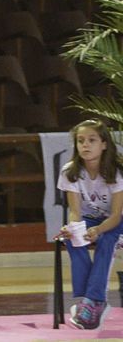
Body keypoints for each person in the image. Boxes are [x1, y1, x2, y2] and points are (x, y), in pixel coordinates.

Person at [55, 119, 123, 330]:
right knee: (71, 240)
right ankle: (92, 303)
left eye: (91, 140)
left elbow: (116, 215)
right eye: (80, 141)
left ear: (104, 144)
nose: (85, 145)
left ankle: (92, 302)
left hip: (116, 220)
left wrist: (98, 230)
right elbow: (76, 212)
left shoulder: (116, 172)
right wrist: (72, 228)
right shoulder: (70, 171)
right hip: (91, 218)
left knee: (106, 239)